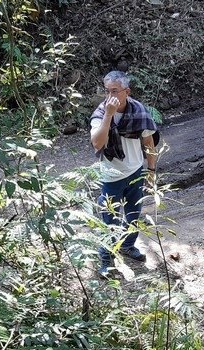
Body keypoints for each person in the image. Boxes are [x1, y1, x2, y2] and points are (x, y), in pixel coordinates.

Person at [90, 70, 158, 278]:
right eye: (107, 91)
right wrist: (109, 115)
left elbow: (149, 143)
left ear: (126, 92)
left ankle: (128, 246)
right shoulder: (101, 114)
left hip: (136, 170)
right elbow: (97, 143)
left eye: (115, 91)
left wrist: (152, 170)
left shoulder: (139, 111)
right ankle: (106, 258)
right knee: (109, 219)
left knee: (133, 214)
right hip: (111, 176)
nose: (110, 96)